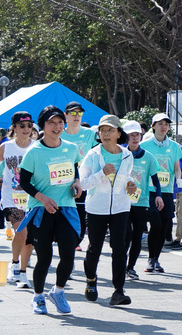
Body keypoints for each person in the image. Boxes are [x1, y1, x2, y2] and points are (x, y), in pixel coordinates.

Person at [16, 106, 84, 315]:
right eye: (51, 123)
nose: (57, 126)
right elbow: (24, 182)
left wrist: (77, 182)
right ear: (42, 126)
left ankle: (58, 291)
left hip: (66, 208)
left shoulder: (71, 148)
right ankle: (38, 297)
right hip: (40, 209)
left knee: (68, 255)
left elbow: (75, 169)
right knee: (44, 258)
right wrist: (43, 198)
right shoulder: (34, 152)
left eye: (60, 122)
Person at [78, 114, 136, 305]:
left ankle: (118, 291)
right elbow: (82, 183)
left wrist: (131, 184)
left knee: (119, 248)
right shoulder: (93, 155)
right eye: (102, 130)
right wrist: (101, 173)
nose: (105, 134)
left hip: (121, 207)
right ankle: (91, 280)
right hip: (96, 208)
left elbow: (127, 176)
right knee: (95, 248)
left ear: (119, 133)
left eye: (110, 130)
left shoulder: (127, 155)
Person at [141, 112, 182, 273]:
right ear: (153, 126)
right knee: (156, 224)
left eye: (166, 124)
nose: (163, 127)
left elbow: (177, 168)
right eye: (160, 124)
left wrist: (179, 180)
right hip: (151, 191)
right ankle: (150, 259)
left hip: (166, 191)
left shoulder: (174, 146)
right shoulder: (145, 145)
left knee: (165, 226)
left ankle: (156, 258)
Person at [122, 120, 164, 282]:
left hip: (141, 202)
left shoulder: (149, 157)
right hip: (123, 202)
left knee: (137, 236)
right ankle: (121, 265)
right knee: (125, 236)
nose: (134, 138)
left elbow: (156, 180)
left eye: (137, 135)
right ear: (126, 137)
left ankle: (131, 267)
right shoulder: (120, 155)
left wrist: (158, 195)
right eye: (131, 135)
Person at [3, 111, 36, 287]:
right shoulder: (6, 147)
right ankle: (15, 265)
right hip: (12, 198)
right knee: (21, 232)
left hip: (33, 198)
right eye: (22, 125)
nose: (26, 129)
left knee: (29, 237)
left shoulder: (37, 147)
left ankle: (22, 273)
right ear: (14, 127)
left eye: (29, 125)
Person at [61, 101, 98, 238]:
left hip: (84, 180)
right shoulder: (59, 134)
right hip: (64, 181)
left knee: (82, 215)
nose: (76, 116)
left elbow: (99, 153)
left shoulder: (89, 134)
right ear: (65, 115)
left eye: (79, 113)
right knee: (65, 215)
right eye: (73, 113)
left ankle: (78, 241)